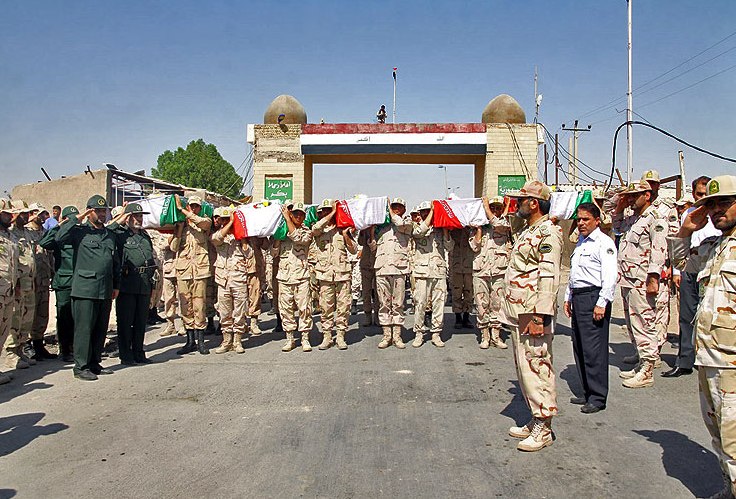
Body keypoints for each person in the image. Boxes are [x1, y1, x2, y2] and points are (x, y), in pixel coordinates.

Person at [668, 175, 736, 498]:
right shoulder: (712, 247)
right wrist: (686, 228)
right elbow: (681, 262)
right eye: (711, 204)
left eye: (725, 202)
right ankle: (728, 488)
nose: (716, 210)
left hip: (732, 364)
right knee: (718, 436)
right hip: (708, 357)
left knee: (735, 440)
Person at [502, 180, 563, 452]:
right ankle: (535, 415)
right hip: (520, 310)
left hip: (532, 311)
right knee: (525, 367)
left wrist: (540, 315)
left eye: (521, 200)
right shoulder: (530, 230)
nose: (517, 204)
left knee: (538, 365)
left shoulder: (548, 233)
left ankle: (544, 426)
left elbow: (549, 276)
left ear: (534, 203)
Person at [55, 195, 120, 381]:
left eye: (103, 211)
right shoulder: (79, 231)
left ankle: (94, 363)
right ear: (89, 211)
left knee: (100, 328)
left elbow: (113, 261)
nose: (101, 214)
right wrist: (79, 217)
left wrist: (116, 284)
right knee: (84, 329)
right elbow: (59, 237)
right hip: (85, 288)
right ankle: (81, 366)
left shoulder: (108, 234)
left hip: (105, 288)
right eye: (97, 211)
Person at [613, 180, 668, 388]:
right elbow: (616, 226)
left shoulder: (655, 218)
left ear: (647, 195)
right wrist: (620, 204)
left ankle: (648, 369)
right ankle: (640, 359)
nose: (631, 199)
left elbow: (659, 249)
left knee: (645, 323)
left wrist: (654, 277)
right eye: (629, 196)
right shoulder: (632, 219)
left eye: (634, 195)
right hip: (628, 278)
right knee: (633, 322)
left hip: (642, 279)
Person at [563, 202, 617, 413]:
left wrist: (602, 302)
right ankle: (587, 391)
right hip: (579, 297)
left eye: (586, 219)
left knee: (594, 349)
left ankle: (597, 396)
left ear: (597, 220)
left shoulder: (604, 243)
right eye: (579, 219)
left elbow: (610, 276)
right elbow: (575, 274)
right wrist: (568, 297)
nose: (581, 223)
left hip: (594, 298)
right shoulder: (581, 243)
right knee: (580, 346)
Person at [663, 175, 719, 378]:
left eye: (708, 196)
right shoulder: (688, 214)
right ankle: (685, 360)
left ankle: (709, 360)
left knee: (712, 318)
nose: (704, 199)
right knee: (686, 317)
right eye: (700, 195)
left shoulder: (719, 218)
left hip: (712, 272)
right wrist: (677, 272)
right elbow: (681, 246)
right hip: (690, 269)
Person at [111, 203, 157, 365]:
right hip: (127, 283)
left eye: (140, 216)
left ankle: (139, 352)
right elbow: (109, 230)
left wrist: (152, 286)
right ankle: (126, 354)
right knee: (125, 321)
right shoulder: (120, 234)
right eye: (135, 216)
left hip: (144, 282)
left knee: (140, 321)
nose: (138, 219)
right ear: (128, 217)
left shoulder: (144, 236)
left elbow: (151, 259)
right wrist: (122, 216)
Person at [311, 199, 357, 350]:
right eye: (323, 210)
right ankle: (327, 336)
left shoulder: (342, 229)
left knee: (344, 306)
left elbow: (354, 250)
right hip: (325, 275)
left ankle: (341, 335)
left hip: (342, 274)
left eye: (328, 210)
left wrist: (345, 234)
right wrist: (332, 213)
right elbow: (316, 228)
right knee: (326, 307)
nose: (325, 212)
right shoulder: (318, 230)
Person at [171, 195, 212, 355]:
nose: (193, 208)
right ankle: (190, 341)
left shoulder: (205, 223)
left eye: (196, 206)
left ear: (200, 208)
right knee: (185, 306)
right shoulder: (181, 227)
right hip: (184, 272)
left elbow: (202, 223)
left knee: (199, 307)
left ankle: (201, 341)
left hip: (200, 271)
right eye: (191, 206)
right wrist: (179, 229)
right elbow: (174, 248)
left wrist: (183, 209)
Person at [370, 197, 413, 349]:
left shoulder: (407, 223)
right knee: (384, 304)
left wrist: (387, 208)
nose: (395, 209)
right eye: (393, 206)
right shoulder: (382, 228)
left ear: (404, 210)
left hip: (399, 268)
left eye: (398, 207)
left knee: (398, 303)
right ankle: (386, 335)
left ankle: (397, 336)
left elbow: (399, 223)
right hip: (382, 269)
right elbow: (373, 247)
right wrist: (371, 232)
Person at [469, 196, 511, 349]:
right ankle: (485, 335)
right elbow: (474, 247)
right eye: (492, 207)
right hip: (481, 271)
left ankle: (496, 336)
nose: (494, 210)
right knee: (481, 304)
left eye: (497, 208)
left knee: (497, 304)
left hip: (499, 271)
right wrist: (479, 230)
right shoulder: (477, 226)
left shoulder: (504, 224)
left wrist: (486, 207)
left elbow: (498, 224)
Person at [38, 205, 78, 363]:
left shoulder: (79, 236)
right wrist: (59, 226)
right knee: (64, 317)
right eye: (69, 219)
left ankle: (77, 347)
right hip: (63, 282)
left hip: (79, 282)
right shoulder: (58, 237)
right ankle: (65, 349)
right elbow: (44, 242)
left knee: (78, 317)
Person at [410, 201, 453, 348]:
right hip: (422, 272)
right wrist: (432, 214)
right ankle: (419, 333)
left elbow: (449, 247)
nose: (426, 213)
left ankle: (436, 332)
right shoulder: (416, 226)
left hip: (438, 271)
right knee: (420, 303)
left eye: (429, 211)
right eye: (424, 212)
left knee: (439, 303)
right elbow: (418, 233)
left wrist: (446, 231)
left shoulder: (441, 228)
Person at [3, 200, 38, 370]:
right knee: (13, 320)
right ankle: (10, 352)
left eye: (26, 213)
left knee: (26, 319)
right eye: (21, 213)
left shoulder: (23, 234)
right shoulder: (9, 233)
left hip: (26, 283)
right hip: (11, 285)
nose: (25, 216)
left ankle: (20, 348)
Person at [210, 207, 249, 354]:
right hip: (223, 280)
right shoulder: (218, 235)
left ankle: (238, 341)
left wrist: (243, 238)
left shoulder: (240, 234)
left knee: (239, 311)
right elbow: (216, 240)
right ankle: (226, 340)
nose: (225, 222)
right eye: (223, 219)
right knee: (224, 312)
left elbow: (249, 254)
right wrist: (231, 221)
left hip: (239, 278)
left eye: (228, 219)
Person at [276, 202, 314, 352]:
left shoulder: (306, 231)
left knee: (304, 308)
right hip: (284, 276)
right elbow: (273, 252)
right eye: (295, 214)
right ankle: (290, 338)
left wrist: (287, 219)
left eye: (301, 214)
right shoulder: (282, 230)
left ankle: (305, 338)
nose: (298, 216)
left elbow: (298, 239)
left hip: (301, 276)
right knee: (286, 309)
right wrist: (278, 236)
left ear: (304, 217)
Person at [0, 199, 19, 384]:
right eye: (6, 214)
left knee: (3, 331)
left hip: (9, 290)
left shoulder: (10, 236)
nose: (10, 217)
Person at [450, 226, 474, 329]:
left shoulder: (472, 228)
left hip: (469, 263)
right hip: (456, 264)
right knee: (456, 291)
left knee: (469, 291)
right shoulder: (453, 228)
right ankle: (458, 316)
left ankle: (466, 316)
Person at [357, 228, 378, 326]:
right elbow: (360, 242)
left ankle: (377, 315)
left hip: (377, 262)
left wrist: (373, 232)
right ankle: (367, 314)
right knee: (366, 292)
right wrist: (362, 231)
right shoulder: (365, 229)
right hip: (365, 263)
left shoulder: (380, 228)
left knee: (378, 293)